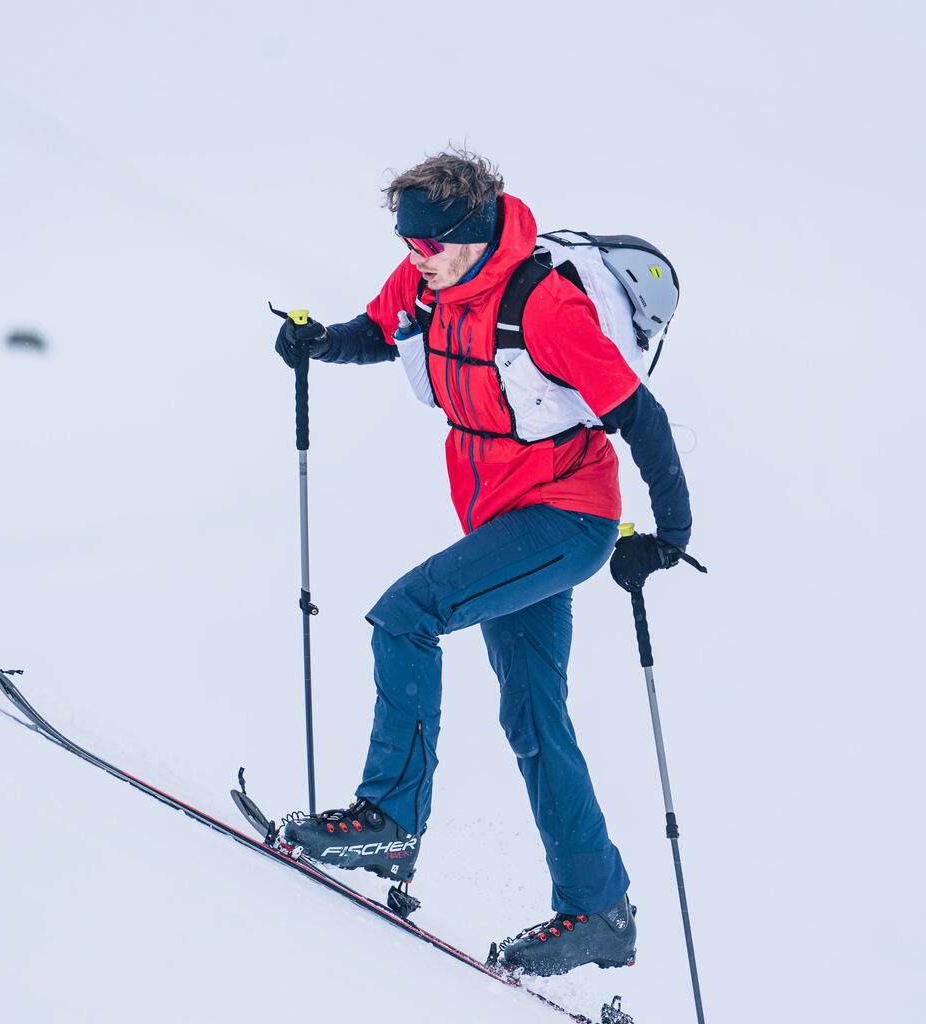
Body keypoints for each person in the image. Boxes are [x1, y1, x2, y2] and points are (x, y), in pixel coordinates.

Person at [273, 149, 691, 976]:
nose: (412, 254)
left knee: (406, 615)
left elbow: (641, 416)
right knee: (534, 718)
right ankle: (598, 912)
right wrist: (318, 343)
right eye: (405, 241)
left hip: (567, 518)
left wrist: (667, 537)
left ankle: (390, 820)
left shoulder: (546, 308)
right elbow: (376, 332)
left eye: (426, 242)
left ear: (468, 234)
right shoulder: (427, 280)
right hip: (502, 519)